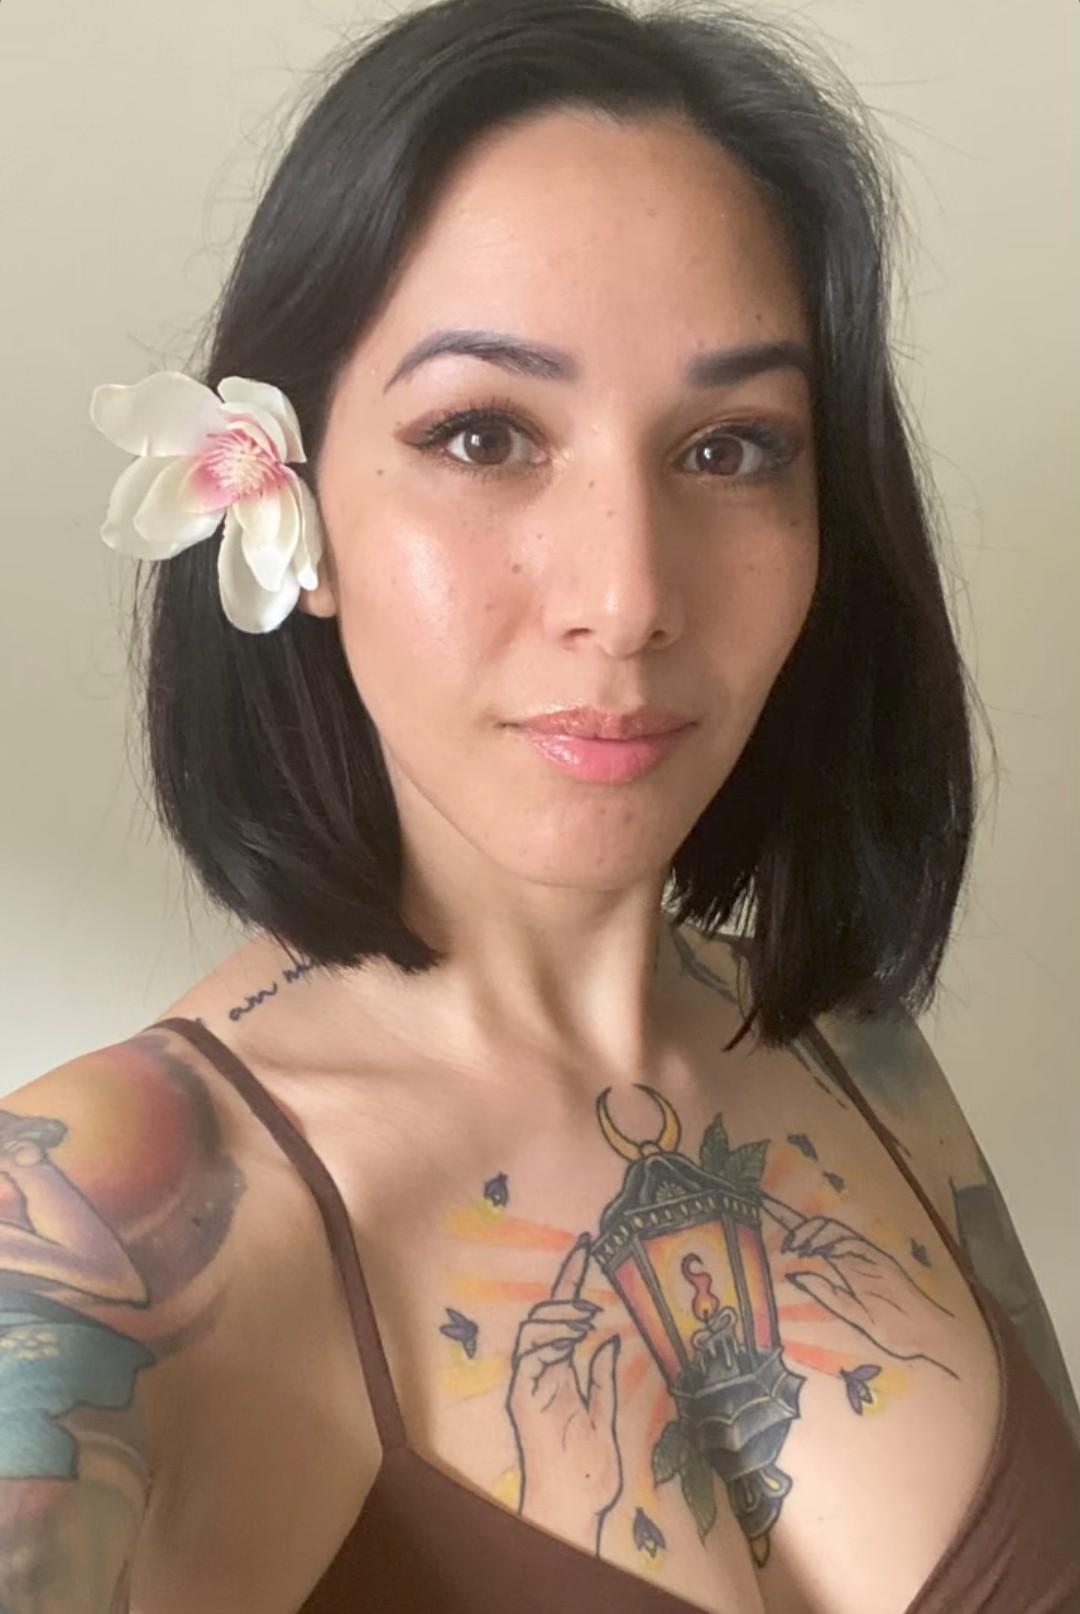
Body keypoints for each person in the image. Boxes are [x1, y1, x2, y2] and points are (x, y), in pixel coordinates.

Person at [3, 0, 1078, 1609]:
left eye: (731, 448)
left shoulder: (862, 1053)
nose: (628, 596)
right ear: (289, 503)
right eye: (483, 434)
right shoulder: (102, 1231)